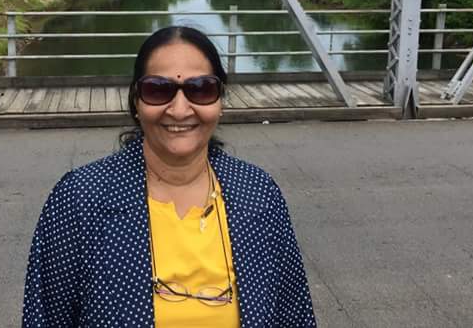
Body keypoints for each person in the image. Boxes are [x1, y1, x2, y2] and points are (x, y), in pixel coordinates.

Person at [22, 26, 317, 327]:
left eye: (201, 89)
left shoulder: (257, 194)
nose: (179, 109)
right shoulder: (80, 200)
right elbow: (46, 317)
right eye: (158, 90)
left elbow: (293, 315)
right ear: (136, 101)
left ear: (220, 100)